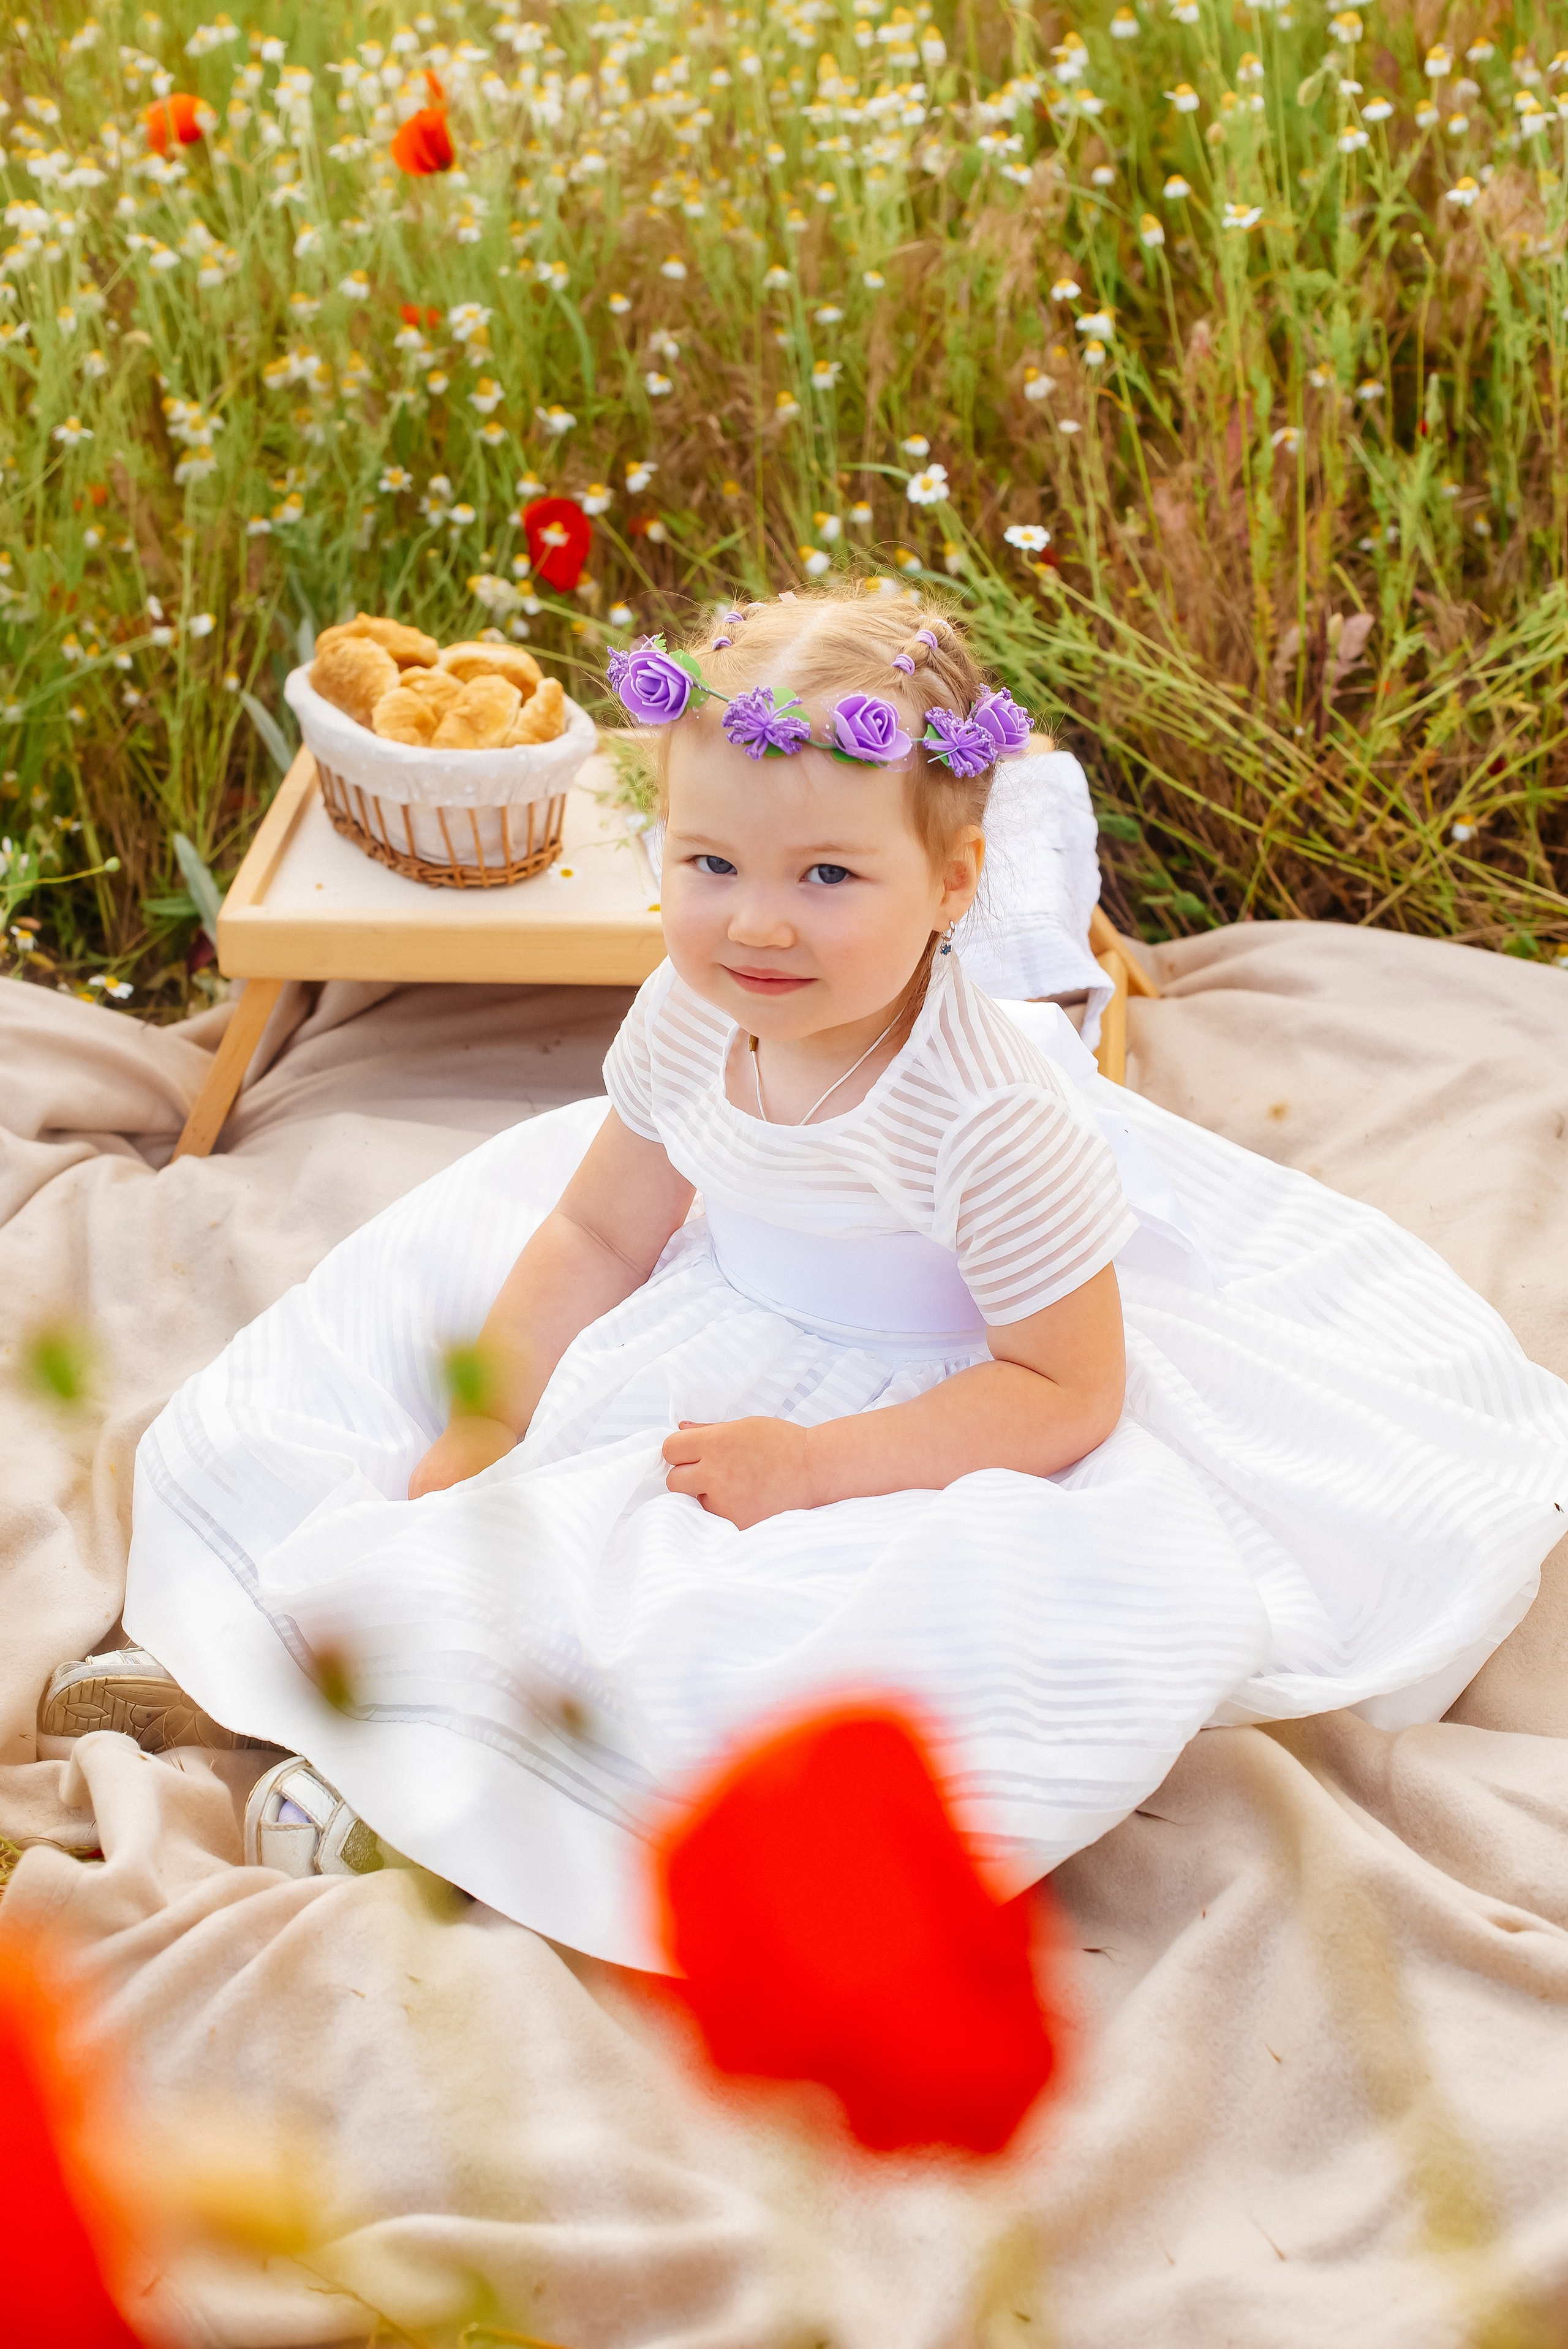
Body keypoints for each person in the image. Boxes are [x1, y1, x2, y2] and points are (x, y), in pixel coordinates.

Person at [48, 587, 1568, 1968]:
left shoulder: (988, 1115)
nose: (756, 921)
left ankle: (443, 1803)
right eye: (709, 864)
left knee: (754, 1625)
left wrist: (818, 1464)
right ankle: (272, 1664)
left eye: (828, 873)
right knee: (436, 1441)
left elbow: (1067, 1388)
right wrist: (492, 1423)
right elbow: (595, 1235)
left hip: (945, 1393)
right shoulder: (688, 1010)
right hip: (721, 1311)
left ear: (952, 880)